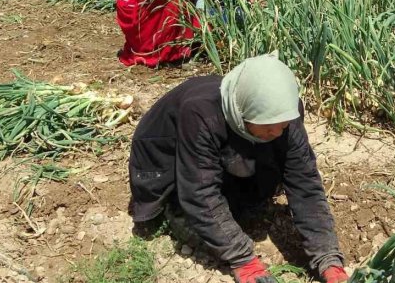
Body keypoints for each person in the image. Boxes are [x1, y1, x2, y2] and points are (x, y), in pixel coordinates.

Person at [128, 53, 350, 283]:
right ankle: (173, 210)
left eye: (282, 126)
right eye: (269, 127)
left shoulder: (283, 113)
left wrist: (328, 258)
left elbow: (304, 180)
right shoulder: (200, 114)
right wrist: (244, 261)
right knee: (191, 219)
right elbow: (200, 193)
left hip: (222, 146)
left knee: (260, 185)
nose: (277, 132)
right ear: (241, 113)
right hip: (166, 163)